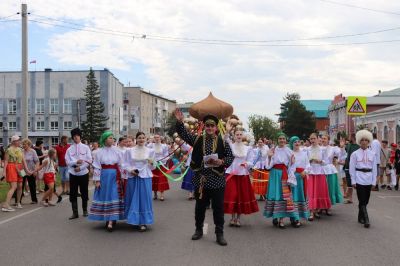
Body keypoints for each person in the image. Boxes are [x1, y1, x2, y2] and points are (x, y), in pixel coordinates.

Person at [175, 109, 234, 246]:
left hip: (217, 180)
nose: (209, 128)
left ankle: (220, 234)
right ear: (205, 127)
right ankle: (198, 230)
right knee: (200, 207)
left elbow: (230, 157)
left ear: (215, 127)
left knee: (218, 209)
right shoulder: (197, 139)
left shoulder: (223, 142)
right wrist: (179, 122)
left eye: (212, 126)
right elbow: (183, 133)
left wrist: (222, 162)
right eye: (207, 126)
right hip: (201, 180)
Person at [88, 131, 125, 232]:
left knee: (114, 195)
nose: (112, 139)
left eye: (113, 138)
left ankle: (111, 220)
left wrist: (122, 177)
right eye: (109, 138)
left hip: (115, 176)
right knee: (105, 196)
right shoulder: (99, 152)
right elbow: (96, 167)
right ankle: (107, 218)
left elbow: (121, 165)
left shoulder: (118, 151)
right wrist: (97, 180)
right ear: (104, 140)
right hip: (104, 177)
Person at [223, 124, 259, 227]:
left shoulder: (247, 148)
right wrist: (227, 131)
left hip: (243, 174)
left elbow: (251, 161)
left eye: (240, 134)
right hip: (232, 174)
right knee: (232, 195)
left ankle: (238, 219)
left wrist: (246, 164)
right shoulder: (231, 145)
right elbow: (225, 139)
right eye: (237, 134)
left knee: (240, 197)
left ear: (242, 136)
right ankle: (232, 218)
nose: (238, 136)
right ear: (234, 136)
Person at [122, 132, 155, 232]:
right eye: (139, 138)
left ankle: (143, 222)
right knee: (132, 197)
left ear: (145, 139)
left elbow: (153, 167)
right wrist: (131, 170)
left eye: (143, 138)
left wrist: (152, 163)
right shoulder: (129, 151)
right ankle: (134, 219)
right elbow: (124, 163)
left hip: (145, 176)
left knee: (144, 198)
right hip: (133, 176)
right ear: (136, 139)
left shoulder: (150, 151)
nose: (141, 140)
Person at [264, 132, 298, 229]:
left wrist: (290, 175)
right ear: (277, 140)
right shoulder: (273, 150)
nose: (282, 140)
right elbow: (267, 166)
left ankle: (281, 219)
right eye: (280, 139)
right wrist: (269, 156)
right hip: (274, 174)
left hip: (284, 174)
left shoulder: (289, 151)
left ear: (286, 140)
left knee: (284, 196)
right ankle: (275, 216)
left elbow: (292, 166)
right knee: (274, 194)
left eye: (283, 139)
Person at [349, 129, 377, 228]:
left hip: (369, 179)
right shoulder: (355, 154)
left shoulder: (373, 154)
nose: (364, 142)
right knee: (362, 199)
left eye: (366, 140)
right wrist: (353, 180)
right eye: (362, 140)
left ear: (369, 141)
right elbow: (352, 168)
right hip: (359, 177)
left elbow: (374, 169)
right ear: (359, 141)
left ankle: (360, 216)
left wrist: (374, 182)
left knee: (365, 200)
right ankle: (366, 219)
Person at [65, 128, 93, 220]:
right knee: (73, 193)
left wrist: (80, 168)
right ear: (72, 137)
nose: (76, 137)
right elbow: (67, 161)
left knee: (84, 191)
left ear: (80, 136)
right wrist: (75, 163)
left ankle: (85, 210)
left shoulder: (86, 147)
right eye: (74, 136)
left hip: (83, 173)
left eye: (77, 136)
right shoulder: (69, 149)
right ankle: (75, 212)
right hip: (73, 173)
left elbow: (89, 160)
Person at [2, 135, 31, 211]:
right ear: (14, 141)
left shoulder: (21, 149)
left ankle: (18, 203)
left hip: (20, 167)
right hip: (12, 166)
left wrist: (27, 170)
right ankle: (6, 205)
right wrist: (4, 172)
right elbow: (6, 161)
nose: (19, 141)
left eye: (19, 140)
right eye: (18, 140)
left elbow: (23, 160)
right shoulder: (9, 150)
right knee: (13, 186)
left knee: (21, 185)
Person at [306, 133, 331, 220]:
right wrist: (309, 160)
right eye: (311, 139)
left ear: (317, 139)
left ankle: (316, 210)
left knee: (319, 191)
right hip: (311, 172)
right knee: (311, 192)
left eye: (314, 139)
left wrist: (320, 161)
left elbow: (326, 162)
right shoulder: (307, 149)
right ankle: (311, 212)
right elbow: (305, 162)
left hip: (320, 172)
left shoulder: (322, 149)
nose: (312, 140)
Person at [289, 136, 310, 226]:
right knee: (293, 197)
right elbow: (287, 166)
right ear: (292, 144)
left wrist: (305, 171)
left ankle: (298, 217)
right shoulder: (290, 153)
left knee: (301, 197)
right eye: (295, 142)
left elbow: (308, 165)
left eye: (298, 142)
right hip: (293, 178)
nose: (297, 143)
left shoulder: (304, 153)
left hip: (301, 178)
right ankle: (294, 218)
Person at [321, 134, 343, 215]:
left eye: (325, 138)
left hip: (330, 169)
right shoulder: (319, 148)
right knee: (322, 189)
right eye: (322, 138)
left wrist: (341, 147)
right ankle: (321, 206)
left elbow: (340, 154)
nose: (323, 140)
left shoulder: (333, 148)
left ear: (328, 140)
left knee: (330, 188)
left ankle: (328, 206)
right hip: (321, 170)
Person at [147, 134, 170, 201]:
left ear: (160, 138)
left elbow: (166, 155)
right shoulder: (150, 145)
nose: (157, 138)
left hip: (161, 164)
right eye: (155, 137)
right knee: (154, 179)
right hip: (153, 164)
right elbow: (148, 154)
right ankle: (155, 194)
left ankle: (162, 195)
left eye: (158, 137)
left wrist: (163, 160)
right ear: (153, 138)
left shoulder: (164, 146)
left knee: (161, 179)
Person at [21, 139, 39, 204]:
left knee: (32, 185)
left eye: (24, 144)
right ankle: (18, 201)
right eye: (22, 144)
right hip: (22, 171)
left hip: (31, 171)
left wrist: (35, 171)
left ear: (28, 145)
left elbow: (37, 162)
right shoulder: (21, 151)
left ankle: (34, 200)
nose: (23, 145)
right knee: (21, 185)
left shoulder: (33, 151)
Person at [343, 134, 359, 204]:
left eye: (350, 137)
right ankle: (350, 198)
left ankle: (349, 195)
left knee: (354, 183)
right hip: (347, 165)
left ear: (353, 137)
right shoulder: (348, 145)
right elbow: (346, 154)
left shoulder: (358, 146)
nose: (349, 139)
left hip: (355, 167)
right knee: (349, 182)